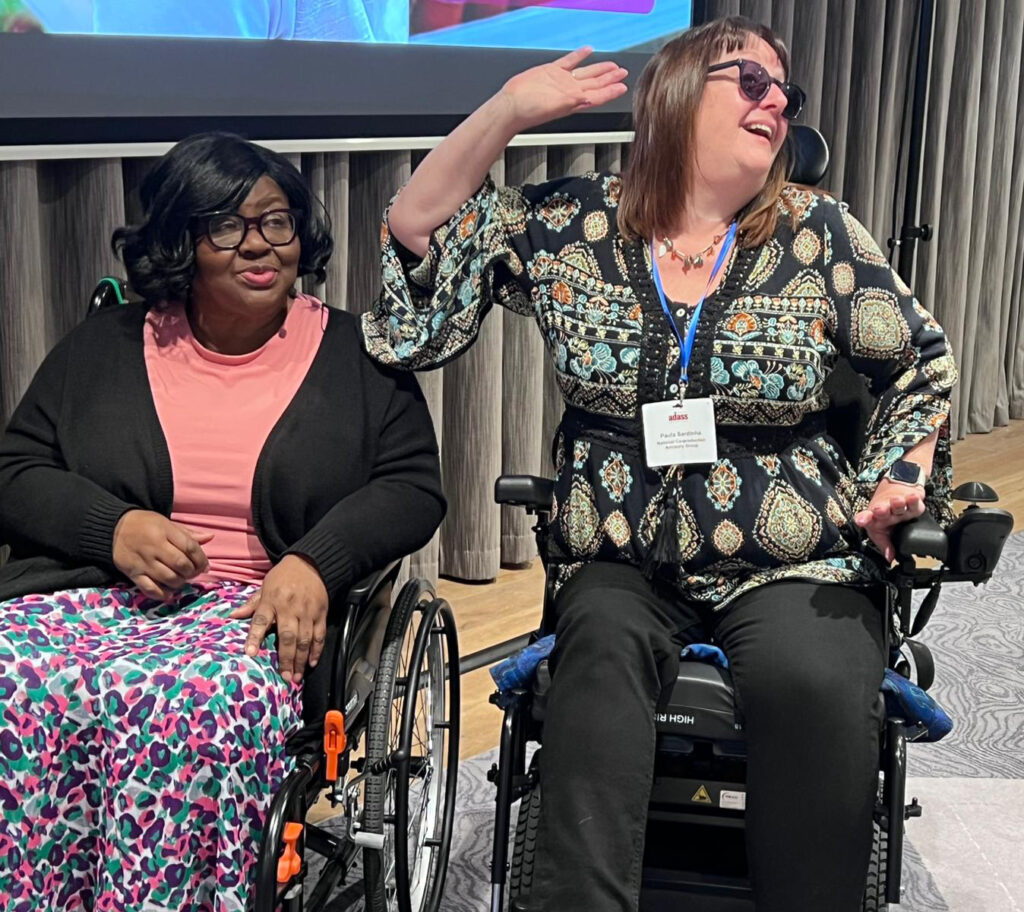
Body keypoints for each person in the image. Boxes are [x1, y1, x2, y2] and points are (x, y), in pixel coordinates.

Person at [362, 15, 957, 912]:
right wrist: (507, 110)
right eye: (750, 81)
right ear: (674, 94)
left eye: (785, 93)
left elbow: (919, 363)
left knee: (813, 678)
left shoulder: (818, 232)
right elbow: (417, 229)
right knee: (597, 663)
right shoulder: (572, 222)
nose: (776, 103)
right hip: (619, 553)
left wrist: (900, 476)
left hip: (791, 555)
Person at [0, 132, 445, 911]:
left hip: (253, 611)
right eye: (228, 226)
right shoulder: (106, 345)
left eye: (276, 222)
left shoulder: (357, 355)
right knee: (14, 670)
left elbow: (412, 486)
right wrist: (112, 529)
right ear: (181, 241)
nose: (259, 245)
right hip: (100, 593)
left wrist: (315, 559)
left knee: (197, 698)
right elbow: (15, 470)